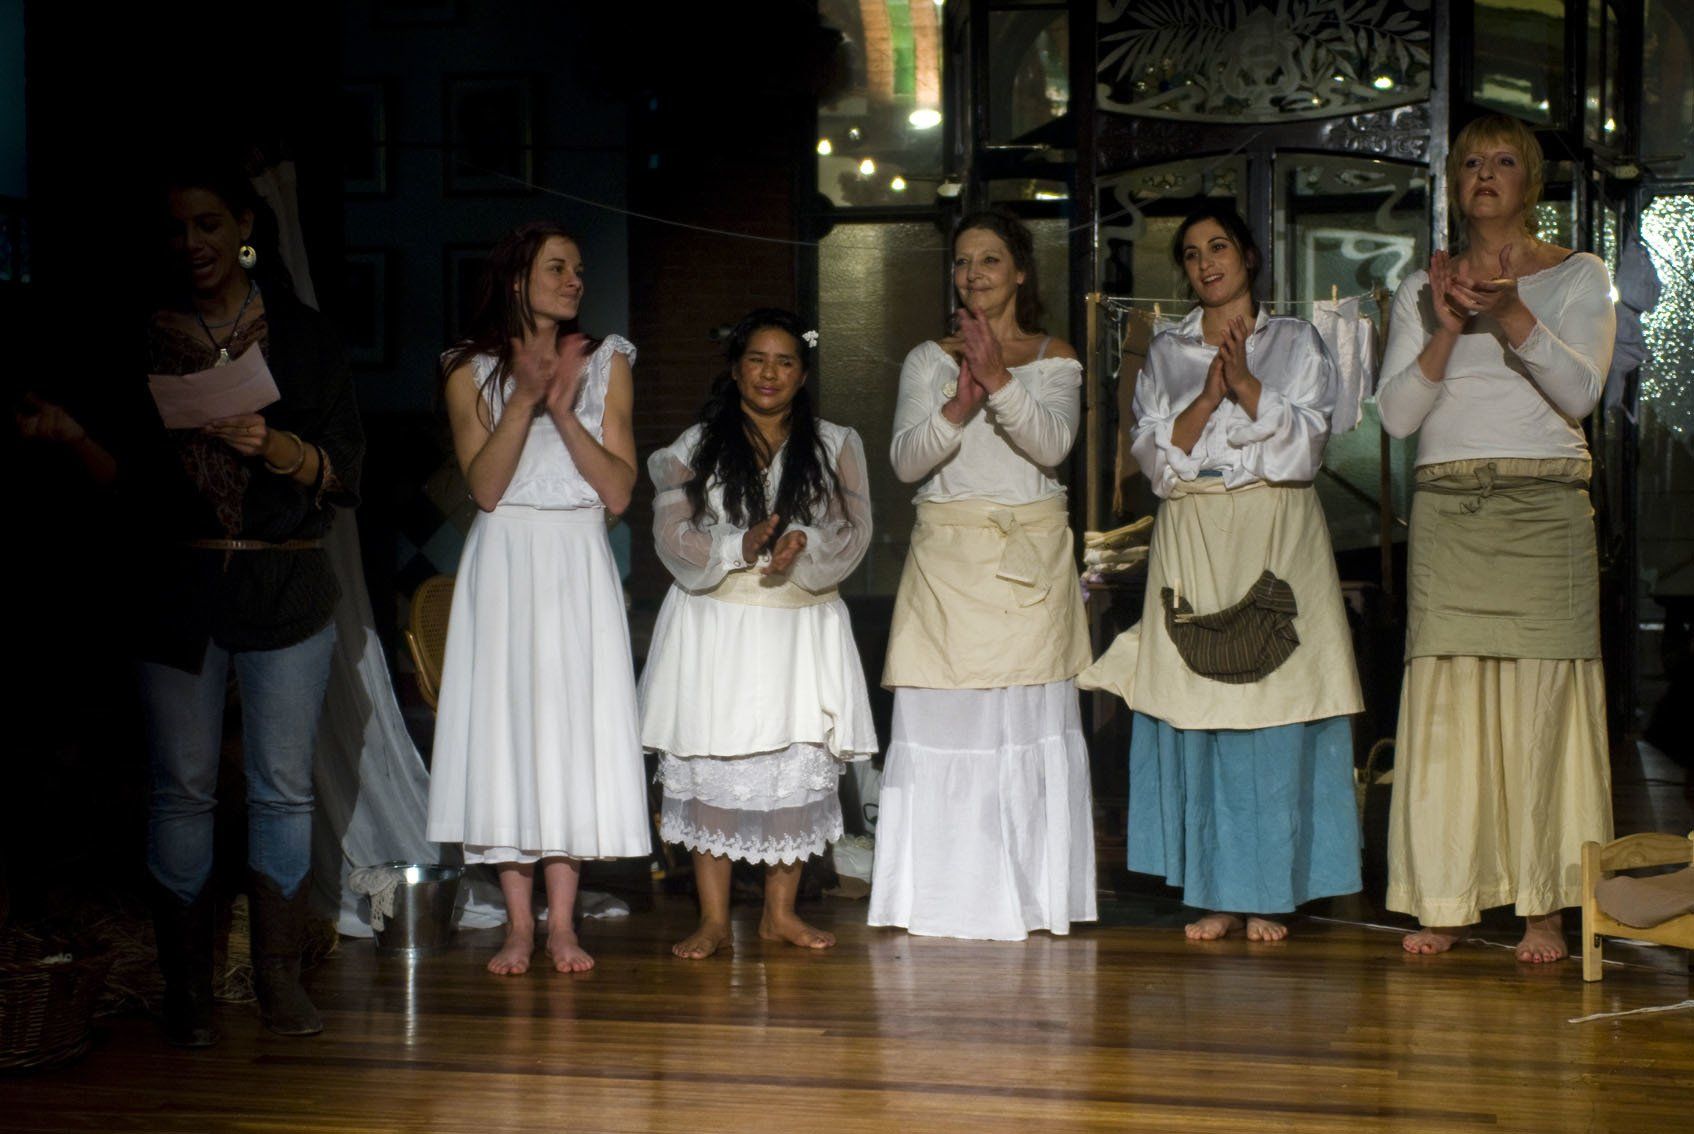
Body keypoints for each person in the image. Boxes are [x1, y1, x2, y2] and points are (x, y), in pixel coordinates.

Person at [17, 162, 364, 1044]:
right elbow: (125, 487)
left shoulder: (303, 336)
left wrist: (275, 446)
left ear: (243, 224)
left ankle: (278, 980)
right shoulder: (140, 340)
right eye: (176, 229)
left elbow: (346, 470)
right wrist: (73, 437)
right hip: (175, 586)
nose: (192, 243)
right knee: (183, 789)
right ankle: (188, 994)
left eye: (208, 224)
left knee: (283, 790)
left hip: (284, 582)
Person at [1378, 114, 1617, 963]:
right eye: (1472, 161)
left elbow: (1581, 395)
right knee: (1450, 706)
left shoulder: (1579, 274)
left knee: (1542, 707)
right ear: (1454, 181)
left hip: (1543, 506)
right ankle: (1446, 897)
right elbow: (1396, 415)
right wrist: (1446, 323)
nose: (1486, 172)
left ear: (1530, 182)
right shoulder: (1422, 285)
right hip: (1451, 508)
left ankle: (1542, 904)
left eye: (1504, 160)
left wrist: (1512, 311)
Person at [1118, 202, 1363, 941]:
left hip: (1273, 530)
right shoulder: (1167, 351)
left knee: (1275, 706)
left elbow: (1306, 447)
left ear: (1248, 256)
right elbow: (1155, 460)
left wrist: (1249, 384)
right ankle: (1214, 889)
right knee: (1201, 709)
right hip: (1194, 531)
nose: (1206, 263)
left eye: (1219, 246)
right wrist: (1208, 394)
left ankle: (1271, 890)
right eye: (1192, 254)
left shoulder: (1297, 341)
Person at [425, 222, 651, 975]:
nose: (574, 279)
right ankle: (519, 926)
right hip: (506, 558)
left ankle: (562, 925)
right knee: (508, 729)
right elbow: (486, 488)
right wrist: (524, 397)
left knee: (569, 732)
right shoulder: (468, 368)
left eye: (579, 268)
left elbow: (618, 490)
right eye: (557, 267)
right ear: (518, 279)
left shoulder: (608, 361)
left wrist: (563, 408)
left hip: (577, 559)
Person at [869, 210, 1096, 941]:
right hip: (950, 567)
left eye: (990, 260)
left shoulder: (1055, 356)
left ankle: (1028, 898)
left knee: (1022, 727)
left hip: (1026, 570)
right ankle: (942, 898)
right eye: (963, 262)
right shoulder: (927, 359)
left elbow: (1052, 446)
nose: (973, 274)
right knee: (947, 723)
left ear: (1020, 272)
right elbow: (907, 460)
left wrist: (998, 379)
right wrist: (958, 404)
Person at [641, 308, 876, 959]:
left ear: (803, 374)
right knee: (713, 763)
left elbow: (855, 532)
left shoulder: (835, 444)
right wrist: (736, 546)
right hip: (717, 621)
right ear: (735, 367)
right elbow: (670, 534)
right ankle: (715, 918)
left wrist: (804, 545)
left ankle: (779, 913)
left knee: (794, 766)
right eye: (756, 359)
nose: (769, 373)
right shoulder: (693, 447)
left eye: (784, 362)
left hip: (799, 623)